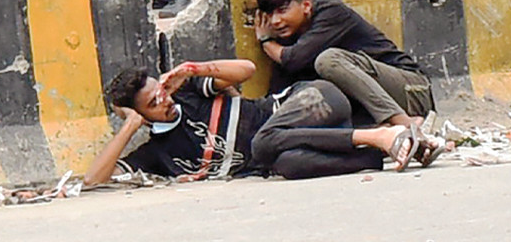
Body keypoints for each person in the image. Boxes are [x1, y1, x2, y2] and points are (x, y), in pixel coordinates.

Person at [84, 59, 429, 184]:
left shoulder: (189, 93)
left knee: (263, 144)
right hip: (310, 142)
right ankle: (404, 146)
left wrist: (194, 69)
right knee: (286, 166)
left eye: (160, 91)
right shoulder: (157, 154)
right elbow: (92, 180)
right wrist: (128, 126)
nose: (165, 101)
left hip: (313, 101)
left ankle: (381, 135)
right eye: (153, 104)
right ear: (141, 115)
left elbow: (246, 70)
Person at [255, 0, 437, 135]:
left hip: (412, 92)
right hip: (370, 106)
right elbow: (279, 95)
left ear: (306, 5)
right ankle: (387, 133)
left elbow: (293, 58)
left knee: (328, 61)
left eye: (282, 10)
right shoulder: (288, 39)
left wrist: (266, 41)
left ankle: (405, 123)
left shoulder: (332, 15)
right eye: (269, 14)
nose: (275, 21)